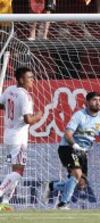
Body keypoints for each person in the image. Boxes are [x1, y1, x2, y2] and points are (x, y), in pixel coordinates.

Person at [45, 92, 100, 209]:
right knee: (77, 173)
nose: (98, 102)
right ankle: (63, 203)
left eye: (99, 100)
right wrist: (76, 146)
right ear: (87, 102)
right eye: (94, 100)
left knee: (81, 183)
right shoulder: (79, 115)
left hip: (82, 153)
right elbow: (68, 134)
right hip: (68, 148)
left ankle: (52, 186)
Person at [0, 67, 43, 211]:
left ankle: (5, 203)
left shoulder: (9, 89)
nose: (32, 80)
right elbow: (28, 119)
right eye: (29, 77)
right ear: (20, 79)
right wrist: (39, 115)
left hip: (8, 135)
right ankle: (1, 193)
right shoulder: (25, 96)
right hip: (18, 138)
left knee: (15, 170)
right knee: (18, 172)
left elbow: (1, 104)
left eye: (32, 77)